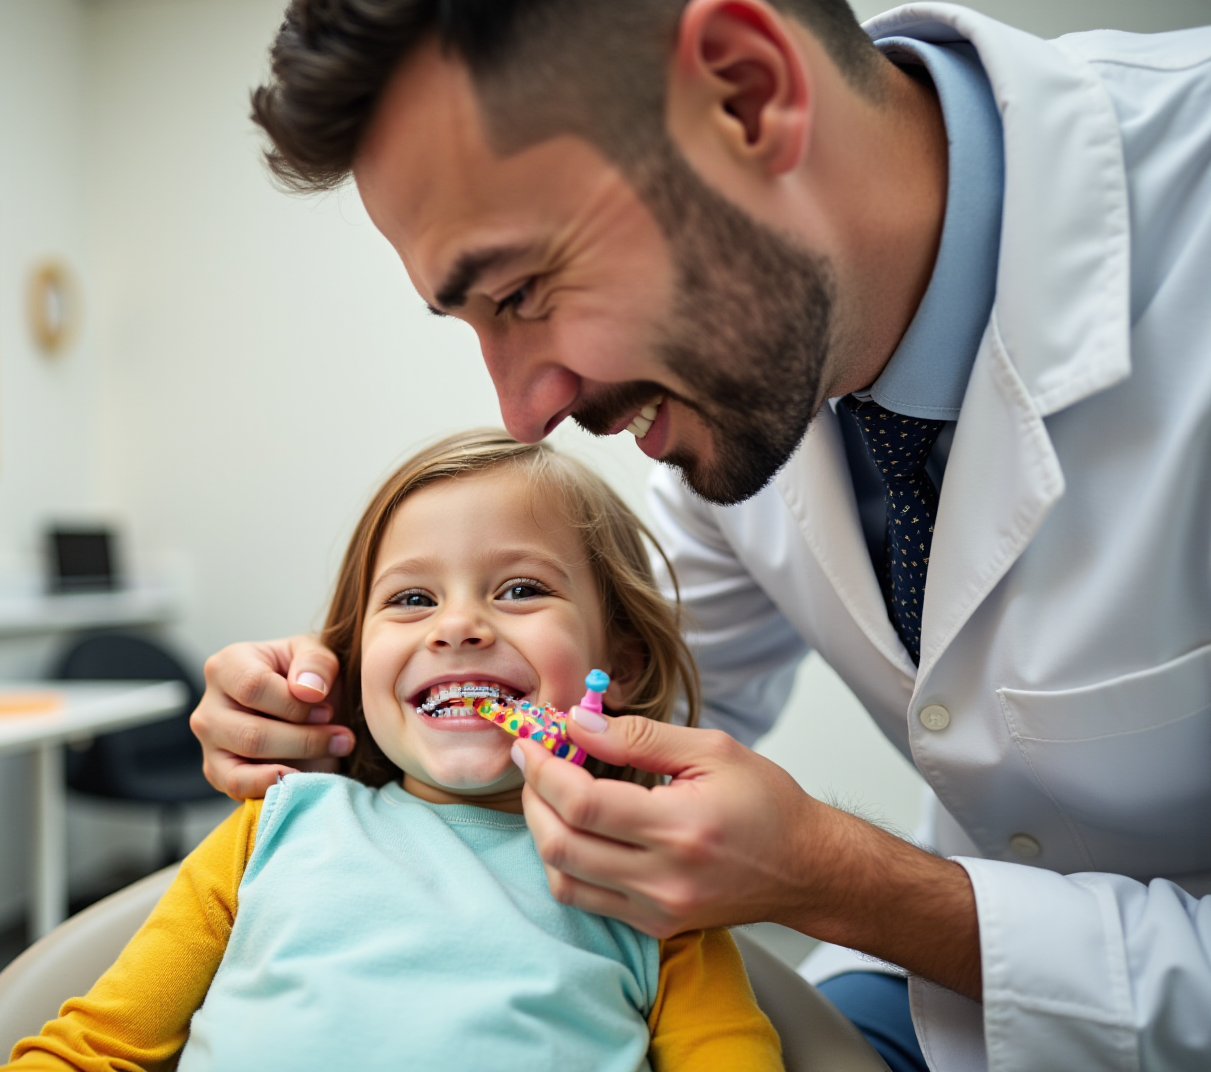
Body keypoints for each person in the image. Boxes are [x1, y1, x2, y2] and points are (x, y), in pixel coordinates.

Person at [191, 2, 1211, 1070]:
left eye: (525, 291)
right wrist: (328, 717)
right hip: (941, 1006)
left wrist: (840, 877)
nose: (523, 412)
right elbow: (610, 712)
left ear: (746, 91)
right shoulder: (737, 420)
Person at [0, 430, 784, 1072]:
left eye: (519, 589)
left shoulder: (655, 881)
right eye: (412, 599)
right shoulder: (272, 830)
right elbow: (90, 1051)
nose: (458, 626)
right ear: (351, 661)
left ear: (624, 662)